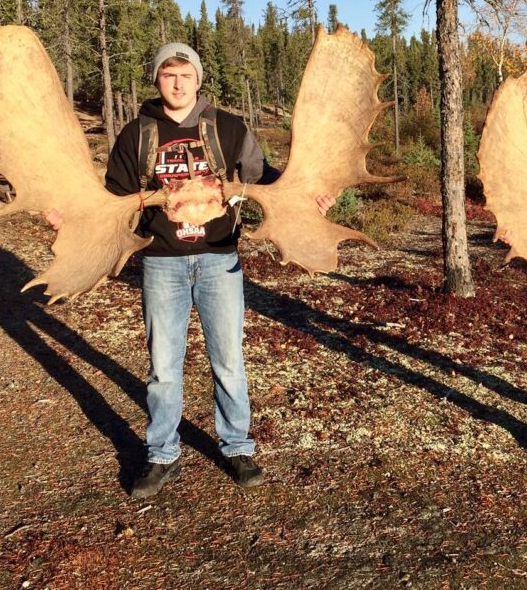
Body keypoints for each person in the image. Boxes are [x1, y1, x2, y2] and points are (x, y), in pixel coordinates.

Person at [48, 42, 333, 497]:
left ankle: (237, 447)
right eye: (168, 75)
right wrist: (71, 218)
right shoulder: (136, 134)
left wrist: (312, 197)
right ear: (157, 79)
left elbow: (266, 179)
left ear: (197, 79)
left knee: (229, 360)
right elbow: (111, 200)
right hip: (161, 263)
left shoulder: (229, 128)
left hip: (220, 257)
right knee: (163, 366)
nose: (177, 83)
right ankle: (162, 454)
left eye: (185, 75)